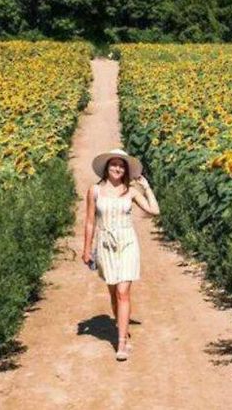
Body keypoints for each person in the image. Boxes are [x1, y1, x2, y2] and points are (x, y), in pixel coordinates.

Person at [82, 148, 160, 361]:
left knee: (123, 292)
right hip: (105, 244)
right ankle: (122, 326)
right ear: (106, 168)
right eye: (113, 164)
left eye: (121, 165)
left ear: (125, 170)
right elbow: (90, 222)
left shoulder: (131, 191)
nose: (117, 168)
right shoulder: (95, 191)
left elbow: (155, 211)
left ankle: (121, 343)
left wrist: (146, 187)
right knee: (113, 292)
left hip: (127, 243)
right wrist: (86, 248)